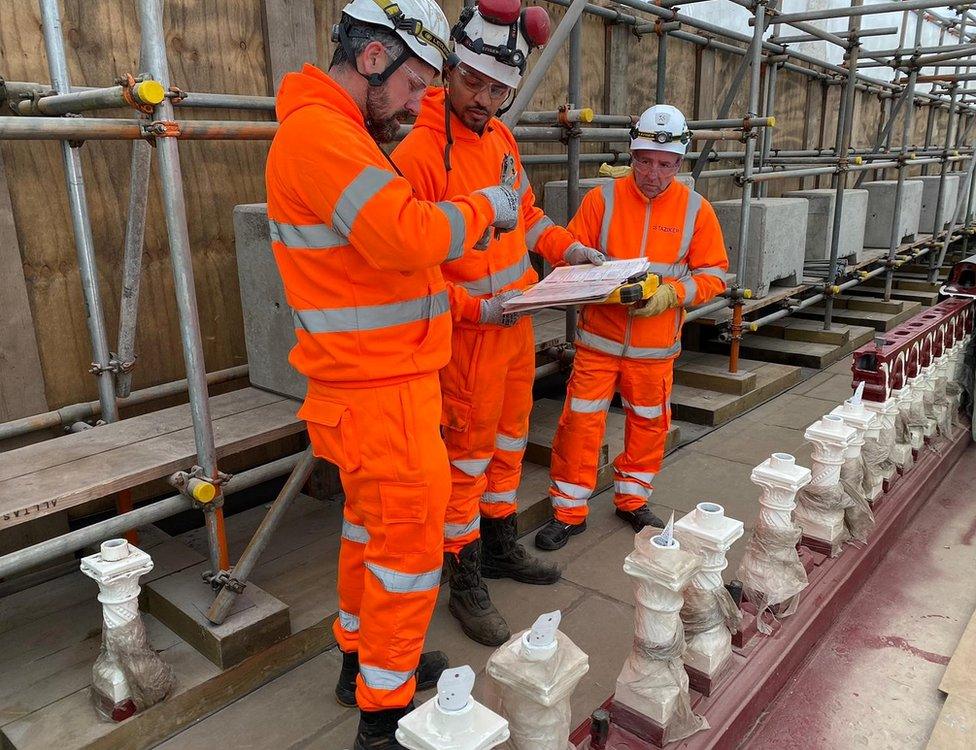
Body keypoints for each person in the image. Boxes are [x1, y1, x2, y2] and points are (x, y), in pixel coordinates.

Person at [265, 0, 521, 745]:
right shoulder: (323, 135)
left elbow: (381, 275)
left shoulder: (337, 134)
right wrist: (484, 207)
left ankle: (361, 664)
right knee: (407, 555)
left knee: (369, 539)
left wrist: (470, 305)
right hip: (378, 393)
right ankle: (383, 717)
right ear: (374, 59)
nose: (420, 103)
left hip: (372, 388)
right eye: (414, 84)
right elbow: (404, 236)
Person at [392, 0, 606, 647]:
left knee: (510, 444)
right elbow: (412, 270)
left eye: (499, 89)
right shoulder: (419, 152)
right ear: (449, 70)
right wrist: (473, 309)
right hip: (463, 339)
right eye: (474, 84)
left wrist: (570, 251)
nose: (485, 99)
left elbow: (529, 216)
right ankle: (465, 579)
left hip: (513, 330)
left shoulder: (501, 140)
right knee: (465, 462)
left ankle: (498, 545)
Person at [534, 104, 730, 551]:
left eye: (664, 165)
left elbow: (715, 274)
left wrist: (670, 294)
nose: (653, 174)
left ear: (679, 163)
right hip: (597, 345)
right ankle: (568, 510)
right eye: (644, 161)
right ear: (632, 155)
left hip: (654, 350)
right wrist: (584, 271)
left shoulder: (697, 211)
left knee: (648, 425)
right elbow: (567, 253)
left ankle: (633, 500)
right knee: (580, 426)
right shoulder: (601, 200)